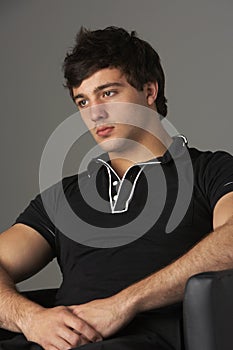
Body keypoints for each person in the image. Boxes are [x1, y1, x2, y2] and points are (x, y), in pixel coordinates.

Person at [0, 26, 233, 350]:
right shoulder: (64, 197)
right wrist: (30, 319)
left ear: (149, 92)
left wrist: (124, 304)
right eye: (83, 100)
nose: (95, 112)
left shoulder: (211, 171)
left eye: (108, 93)